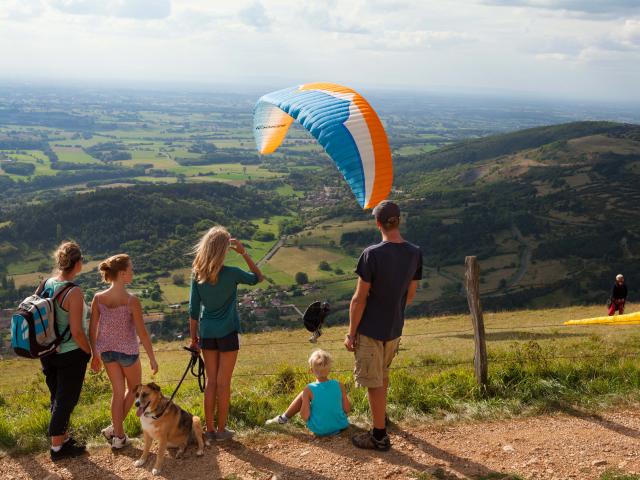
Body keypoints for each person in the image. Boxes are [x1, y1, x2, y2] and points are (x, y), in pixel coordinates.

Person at [344, 200, 422, 451]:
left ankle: (379, 436)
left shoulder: (372, 254)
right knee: (383, 376)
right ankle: (382, 418)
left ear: (378, 224)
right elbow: (410, 296)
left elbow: (359, 298)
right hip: (394, 328)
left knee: (374, 382)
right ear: (398, 220)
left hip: (370, 329)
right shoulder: (414, 252)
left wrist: (350, 333)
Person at [188, 226, 264, 442]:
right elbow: (259, 277)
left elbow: (193, 312)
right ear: (224, 250)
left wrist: (194, 339)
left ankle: (209, 431)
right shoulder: (232, 273)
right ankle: (222, 430)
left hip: (207, 333)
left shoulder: (197, 274)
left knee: (211, 382)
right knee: (224, 383)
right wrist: (244, 252)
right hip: (228, 332)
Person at [89, 254, 158, 449]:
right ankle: (116, 431)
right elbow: (142, 333)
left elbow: (92, 329)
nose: (133, 272)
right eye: (131, 269)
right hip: (128, 352)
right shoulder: (131, 300)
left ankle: (117, 435)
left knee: (117, 393)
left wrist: (95, 354)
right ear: (121, 273)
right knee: (135, 390)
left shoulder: (98, 298)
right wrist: (152, 358)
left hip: (107, 352)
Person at [40, 241, 92, 461]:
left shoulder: (47, 283)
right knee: (66, 400)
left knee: (57, 396)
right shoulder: (74, 292)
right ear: (78, 263)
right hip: (70, 353)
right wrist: (89, 351)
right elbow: (78, 331)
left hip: (47, 351)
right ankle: (57, 449)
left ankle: (63, 439)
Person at [265, 349, 350, 436]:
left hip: (319, 429)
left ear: (311, 370)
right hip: (340, 426)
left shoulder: (309, 389)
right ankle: (332, 422)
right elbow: (347, 409)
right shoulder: (339, 385)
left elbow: (305, 415)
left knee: (306, 395)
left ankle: (283, 419)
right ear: (329, 369)